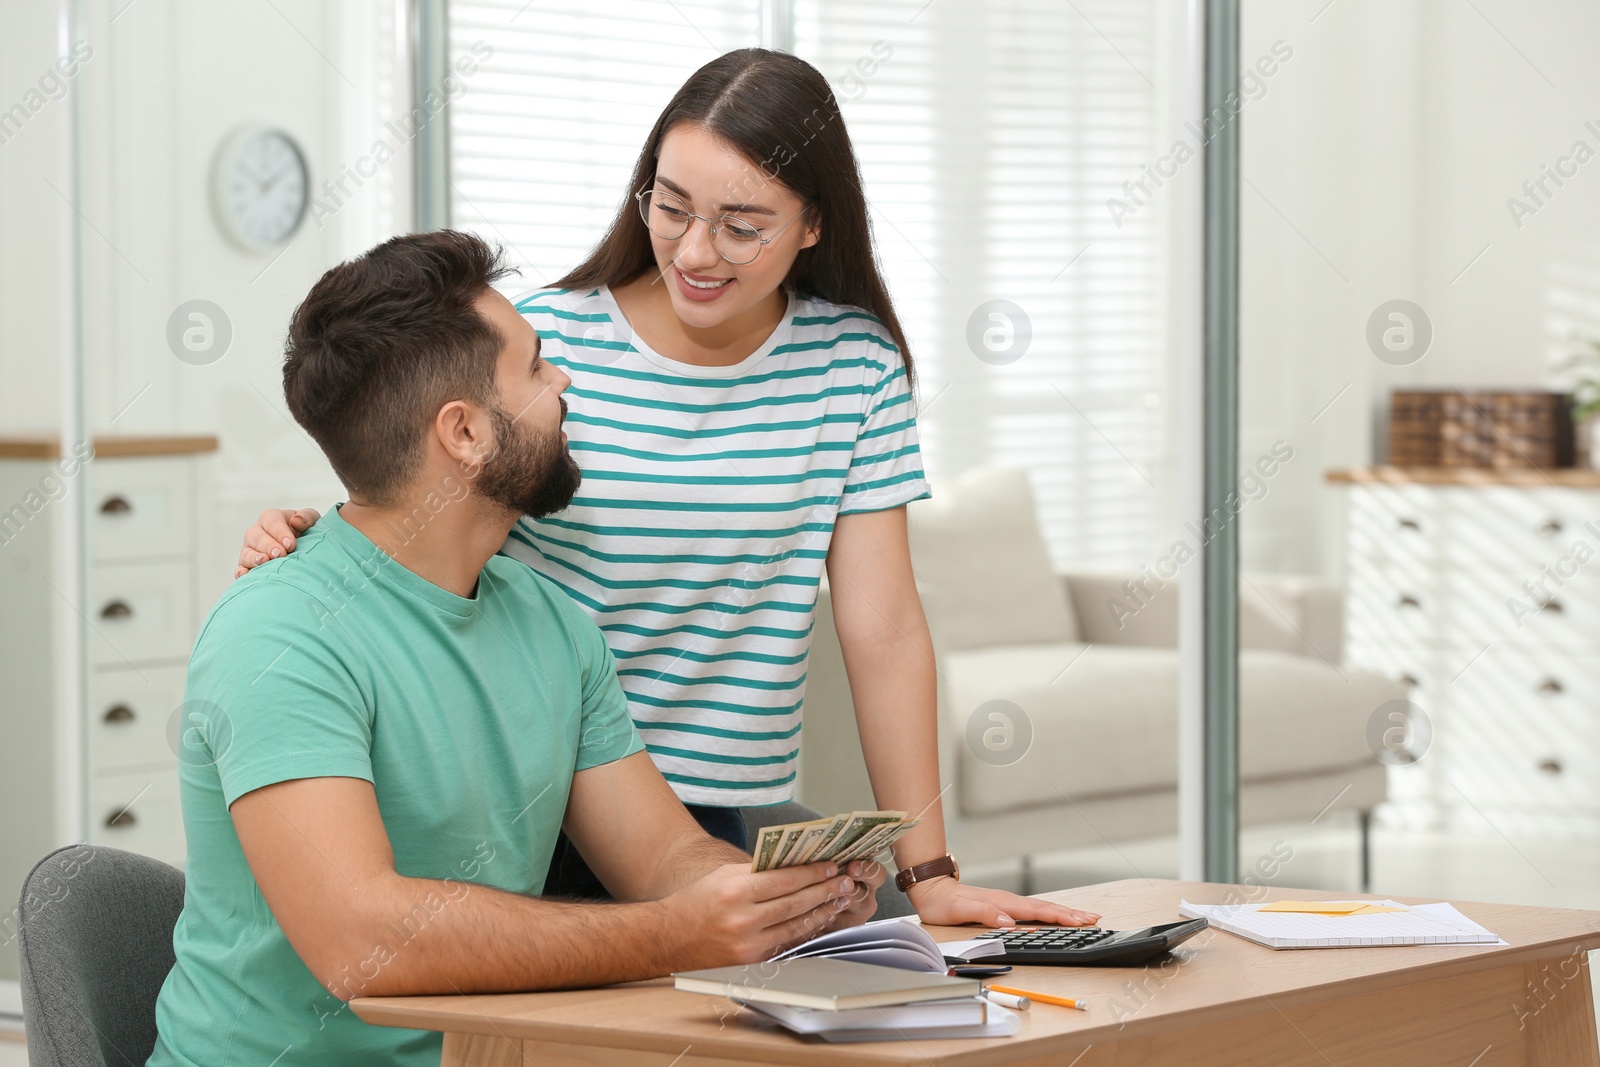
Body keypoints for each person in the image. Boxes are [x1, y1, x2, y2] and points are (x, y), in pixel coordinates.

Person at [236, 48, 1099, 929]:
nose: (694, 250)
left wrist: (931, 872)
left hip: (715, 820)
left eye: (740, 224)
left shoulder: (855, 366)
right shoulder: (548, 349)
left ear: (813, 224)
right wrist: (308, 543)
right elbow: (428, 507)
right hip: (541, 805)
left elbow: (882, 630)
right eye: (671, 206)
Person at [148, 230, 879, 1067]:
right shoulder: (277, 633)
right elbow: (361, 939)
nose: (563, 383)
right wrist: (673, 935)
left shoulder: (550, 621)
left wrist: (775, 900)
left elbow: (661, 854)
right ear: (464, 432)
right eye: (535, 368)